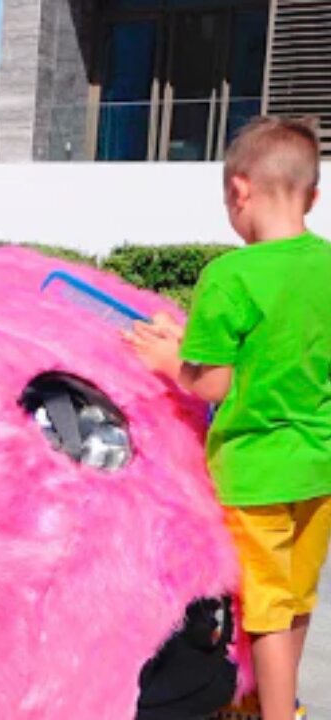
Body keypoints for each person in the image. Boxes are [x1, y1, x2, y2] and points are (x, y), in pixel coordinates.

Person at [127, 116, 331, 720]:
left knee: (264, 611)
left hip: (255, 476)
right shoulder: (323, 265)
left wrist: (171, 360)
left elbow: (212, 380)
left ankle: (277, 713)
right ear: (312, 197)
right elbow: (281, 347)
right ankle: (265, 700)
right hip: (317, 469)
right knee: (295, 601)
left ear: (239, 191)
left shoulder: (230, 274)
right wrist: (193, 338)